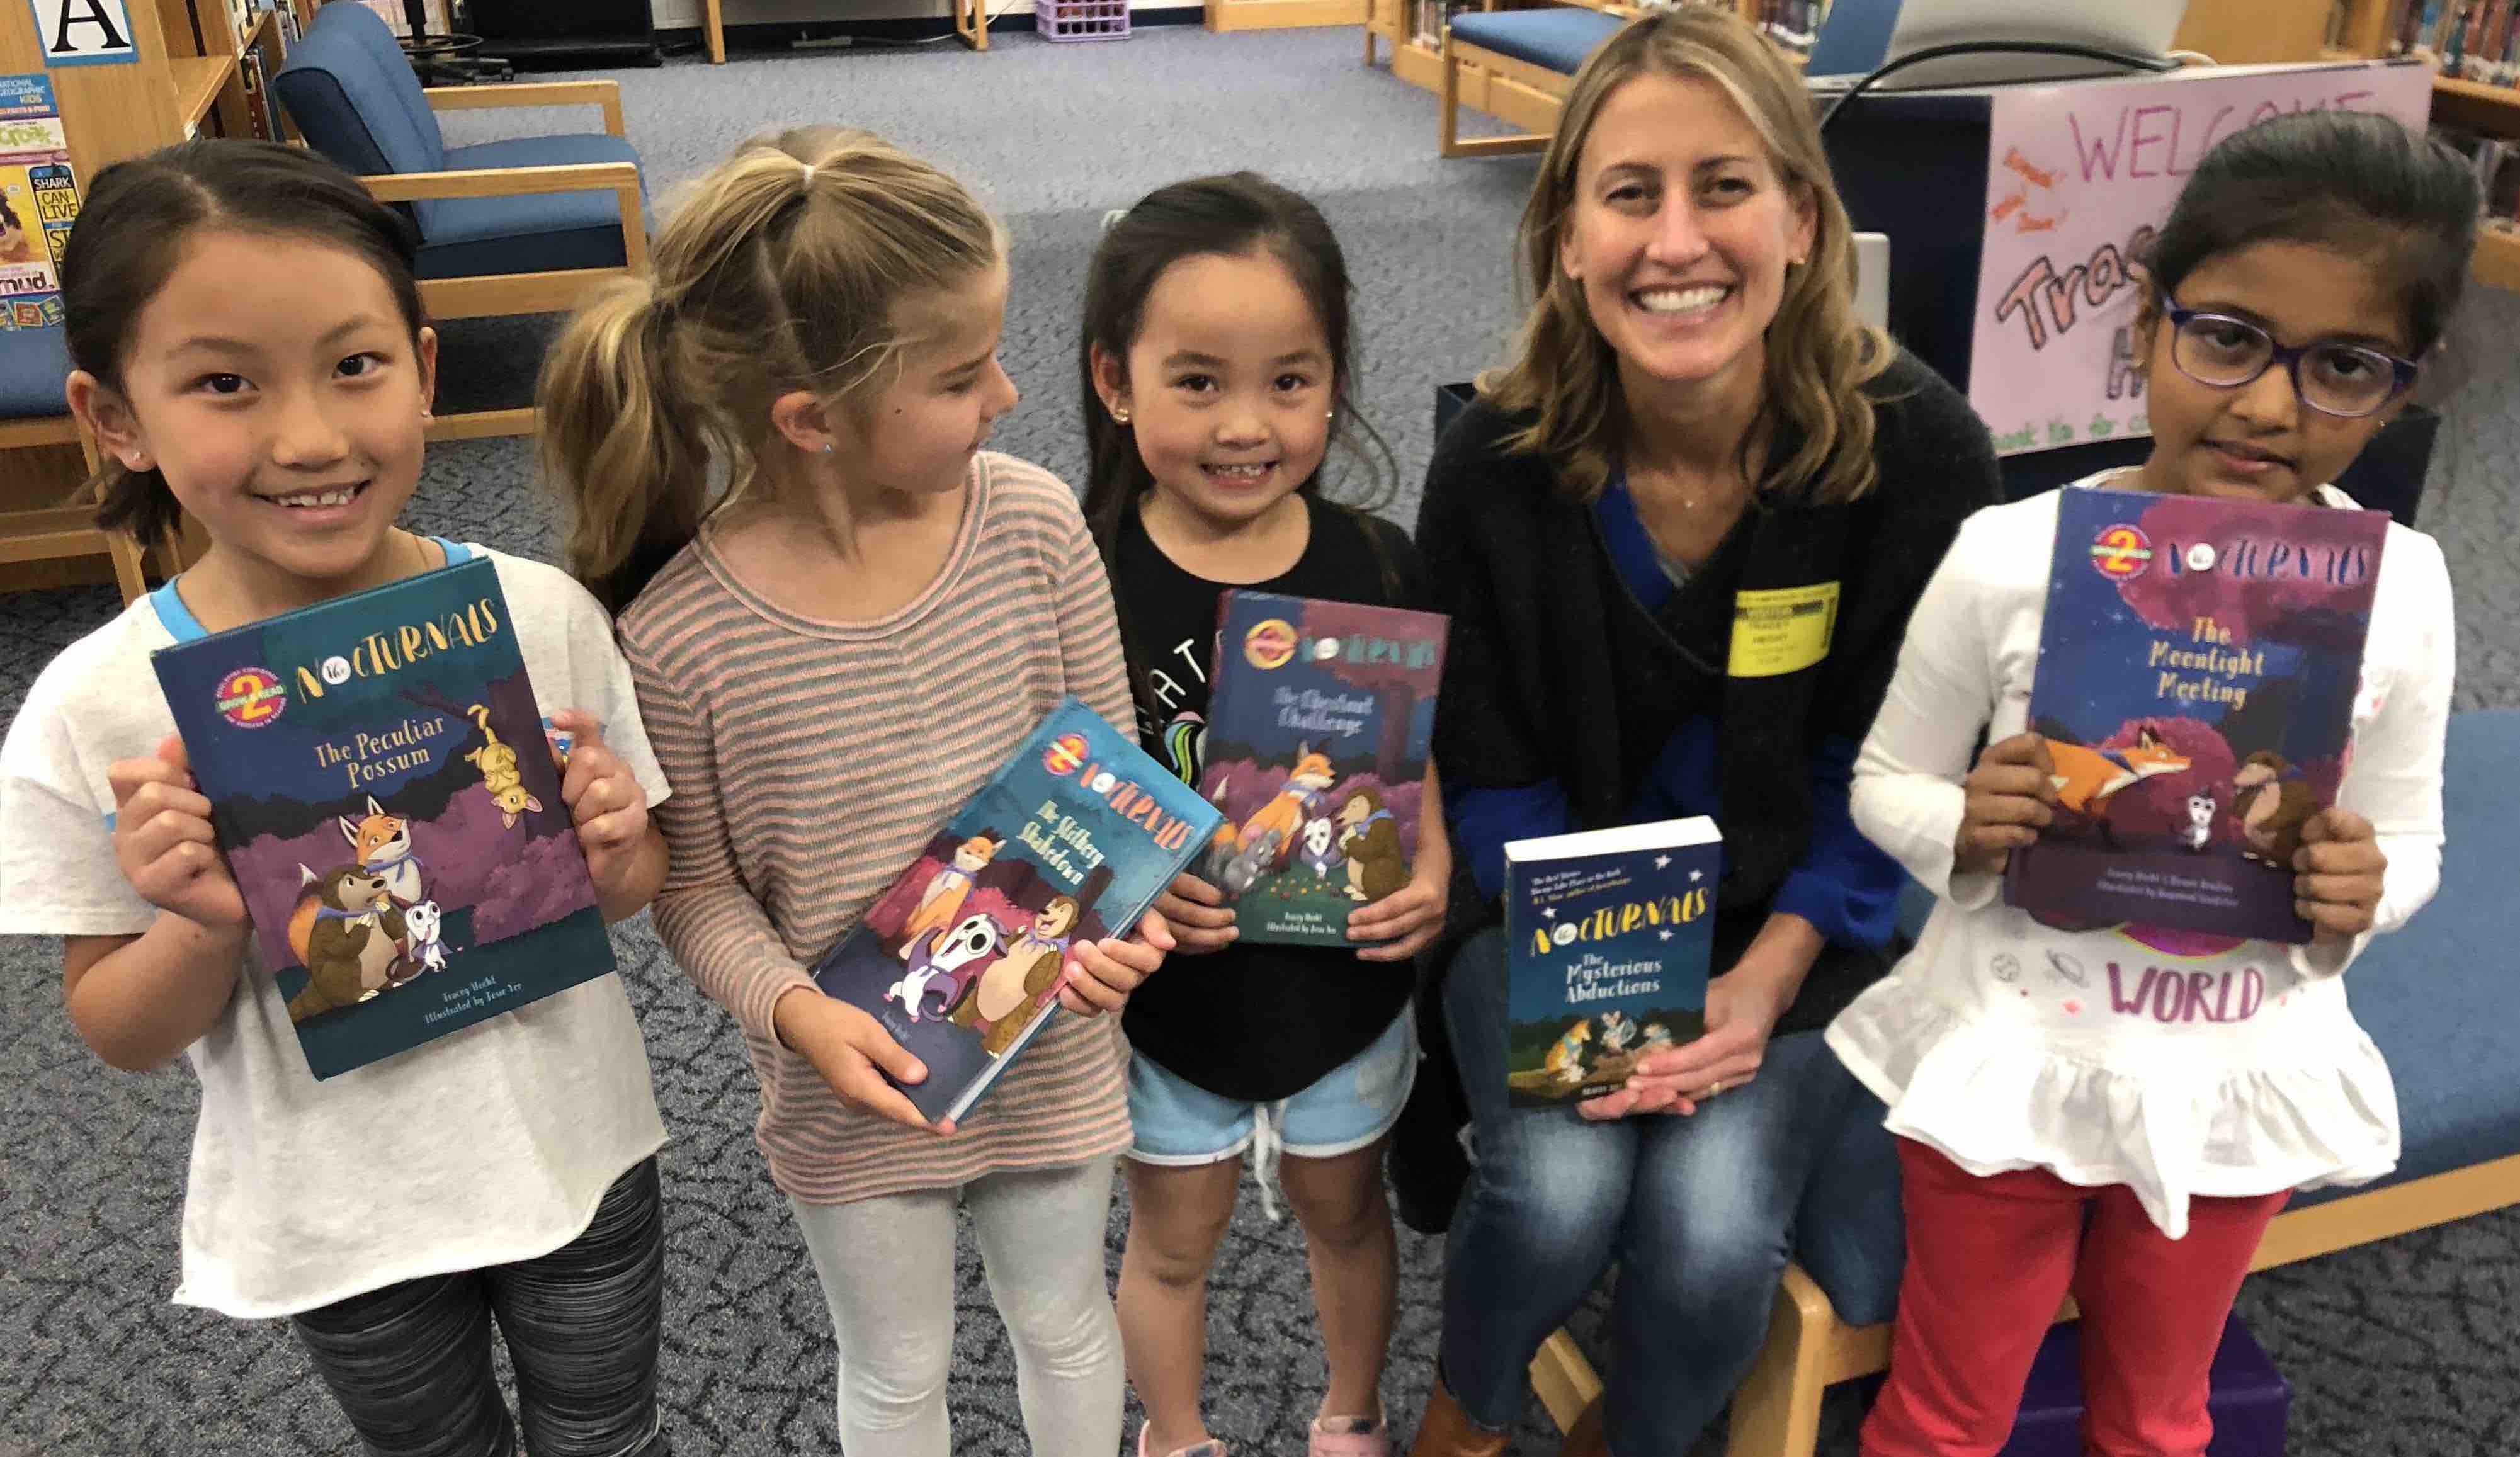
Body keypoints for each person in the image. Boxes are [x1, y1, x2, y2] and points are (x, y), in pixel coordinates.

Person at [0, 139, 674, 1457]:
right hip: (341, 1213)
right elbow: (120, 1029)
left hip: (577, 1152)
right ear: (115, 417)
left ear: (424, 371)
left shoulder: (535, 617)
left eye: (354, 365)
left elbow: (633, 886)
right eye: (224, 384)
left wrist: (613, 845)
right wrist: (198, 921)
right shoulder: (103, 705)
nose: (308, 436)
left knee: (614, 1440)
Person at [1395, 11, 2002, 1456]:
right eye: (1629, 194)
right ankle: (1463, 1423)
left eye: (1724, 186)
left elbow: (1898, 762)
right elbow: (1482, 759)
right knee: (1557, 1189)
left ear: (1801, 216)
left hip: (1800, 914)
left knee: (1716, 1232)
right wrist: (1609, 967)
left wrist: (1772, 961)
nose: (1678, 240)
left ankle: (1642, 1436)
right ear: (1563, 235)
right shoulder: (1494, 460)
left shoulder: (1919, 450)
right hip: (1547, 908)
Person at [1833, 109, 2472, 1457]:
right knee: (1949, 1414)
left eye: (2344, 366)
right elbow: (1887, 776)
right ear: (2144, 324)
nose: (2267, 404)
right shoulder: (2013, 553)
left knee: (2158, 1418)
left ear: (2402, 390)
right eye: (2228, 336)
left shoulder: (2402, 588)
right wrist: (1965, 819)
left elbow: (2411, 839)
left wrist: (2368, 882)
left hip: (2236, 1075)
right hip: (2018, 1054)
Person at [535, 125, 1170, 1457]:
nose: (1005, 392)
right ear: (809, 420)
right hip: (850, 1084)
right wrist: (801, 1015)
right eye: (958, 372)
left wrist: (1127, 917)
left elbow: (1118, 779)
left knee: (1063, 1322)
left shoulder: (1037, 524)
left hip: (1048, 1047)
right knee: (895, 1367)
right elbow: (696, 889)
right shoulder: (682, 633)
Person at [1080, 173, 1451, 1457]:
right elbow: (1049, 796)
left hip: (1339, 980)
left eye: (1289, 380)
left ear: (1336, 379)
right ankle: (1174, 1434)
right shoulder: (1080, 571)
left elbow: (1418, 752)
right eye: (1198, 382)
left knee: (1345, 1208)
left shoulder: (1379, 559)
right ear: (1114, 381)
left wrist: (1436, 852)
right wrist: (1129, 880)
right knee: (1173, 1240)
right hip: (1170, 999)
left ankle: (1349, 1410)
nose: (1247, 424)